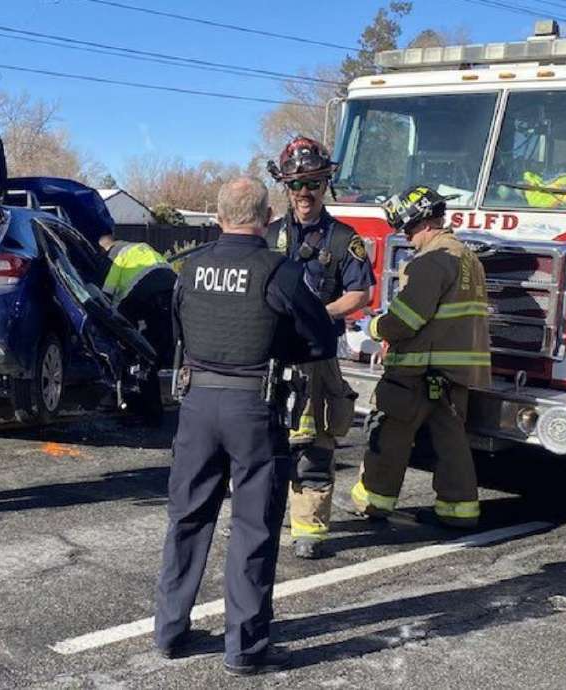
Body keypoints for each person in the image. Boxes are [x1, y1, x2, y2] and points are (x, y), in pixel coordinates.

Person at [154, 176, 335, 675]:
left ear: (218, 218)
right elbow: (320, 340)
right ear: (267, 218)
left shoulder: (190, 267)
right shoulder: (280, 271)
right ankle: (246, 648)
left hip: (196, 403)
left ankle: (169, 631)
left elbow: (177, 331)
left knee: (187, 518)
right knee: (253, 527)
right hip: (254, 406)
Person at [350, 185, 491, 529]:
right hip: (454, 373)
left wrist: (372, 328)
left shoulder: (431, 261)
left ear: (426, 222)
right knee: (452, 442)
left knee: (389, 434)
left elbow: (405, 320)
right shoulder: (468, 258)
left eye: (409, 228)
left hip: (416, 370)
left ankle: (373, 502)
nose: (406, 236)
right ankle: (458, 510)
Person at [267, 136, 373, 559]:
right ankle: (261, 517)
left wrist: (316, 315)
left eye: (313, 182)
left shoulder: (344, 238)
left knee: (315, 445)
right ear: (286, 187)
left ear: (326, 183)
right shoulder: (269, 234)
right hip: (272, 357)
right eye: (296, 184)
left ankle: (309, 529)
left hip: (318, 358)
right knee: (265, 441)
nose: (304, 192)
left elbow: (360, 293)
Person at [97, 232, 177, 365]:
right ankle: (164, 363)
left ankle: (133, 360)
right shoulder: (141, 247)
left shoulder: (117, 256)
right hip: (170, 282)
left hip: (143, 287)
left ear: (105, 250)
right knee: (163, 328)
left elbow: (107, 293)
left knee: (126, 326)